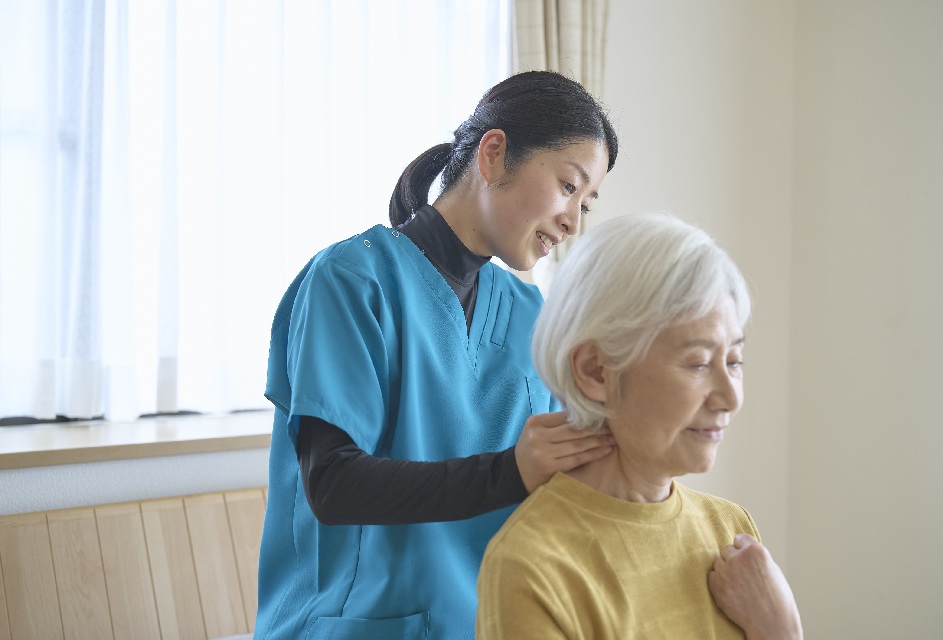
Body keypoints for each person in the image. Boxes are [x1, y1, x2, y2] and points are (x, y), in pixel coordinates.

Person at [254, 71, 620, 640]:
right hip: (349, 627)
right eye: (569, 187)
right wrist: (510, 471)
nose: (574, 221)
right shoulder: (351, 281)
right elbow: (331, 484)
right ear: (494, 154)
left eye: (588, 203)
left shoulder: (531, 314)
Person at [476, 212, 803, 639]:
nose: (731, 398)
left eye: (734, 361)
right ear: (596, 371)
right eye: (700, 364)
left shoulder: (730, 532)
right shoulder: (533, 565)